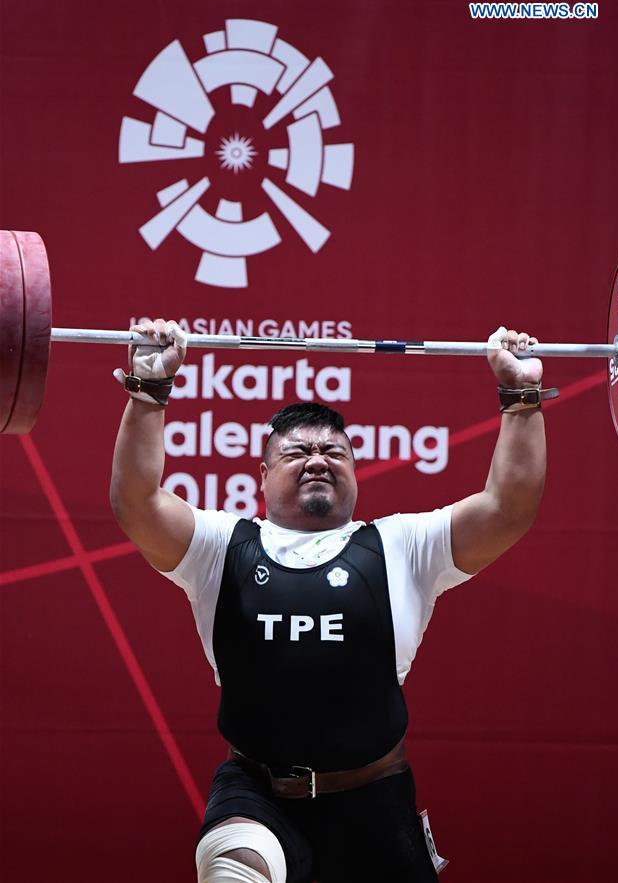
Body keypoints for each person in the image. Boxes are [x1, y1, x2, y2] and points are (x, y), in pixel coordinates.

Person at [110, 321, 550, 883]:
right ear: (262, 477)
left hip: (374, 803)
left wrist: (521, 395)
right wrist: (150, 388)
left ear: (355, 474)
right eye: (297, 451)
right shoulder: (221, 547)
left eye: (334, 452)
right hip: (257, 796)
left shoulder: (401, 545)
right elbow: (137, 501)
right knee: (232, 875)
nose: (317, 459)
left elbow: (508, 508)